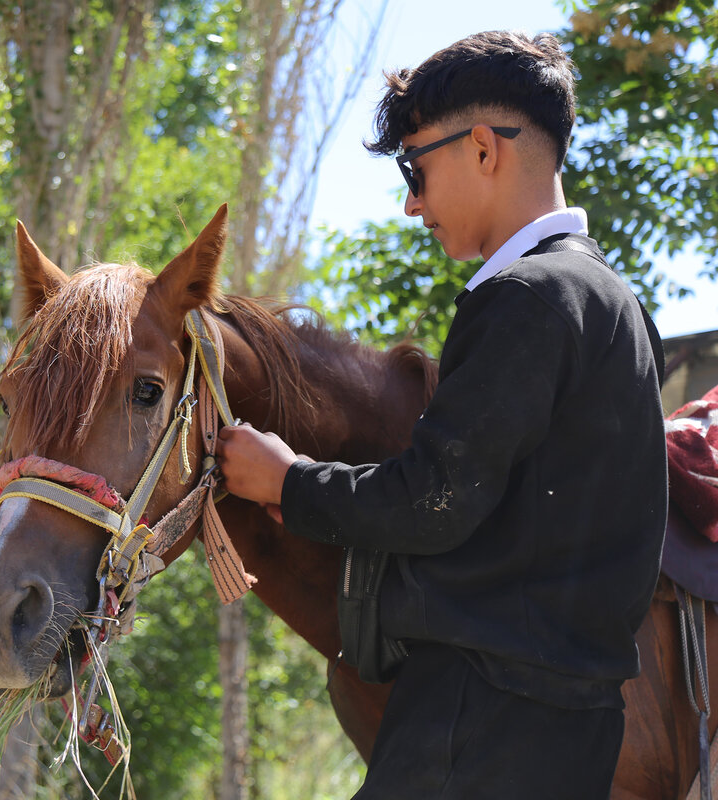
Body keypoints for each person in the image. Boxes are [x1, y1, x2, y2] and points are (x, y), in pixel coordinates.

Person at [216, 31, 666, 799]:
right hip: (573, 725)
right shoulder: (617, 305)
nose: (412, 200)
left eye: (415, 167)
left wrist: (287, 482)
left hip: (481, 715)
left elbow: (434, 499)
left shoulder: (524, 297)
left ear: (484, 148)